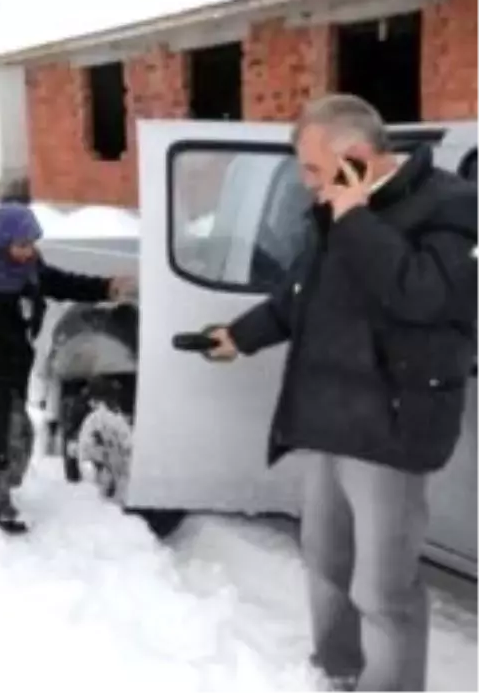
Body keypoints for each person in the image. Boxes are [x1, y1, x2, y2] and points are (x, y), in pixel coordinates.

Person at [201, 94, 479, 693]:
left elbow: (423, 294)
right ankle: (339, 669)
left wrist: (355, 216)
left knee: (384, 588)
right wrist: (239, 336)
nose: (306, 185)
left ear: (354, 158)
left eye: (311, 169)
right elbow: (301, 293)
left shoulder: (456, 205)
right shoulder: (334, 210)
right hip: (329, 417)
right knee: (326, 561)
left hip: (392, 426)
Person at [0, 202, 135, 534]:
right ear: (0, 239)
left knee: (17, 436)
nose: (28, 251)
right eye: (21, 244)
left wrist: (105, 288)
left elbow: (56, 282)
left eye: (31, 243)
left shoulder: (24, 265)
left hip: (10, 366)